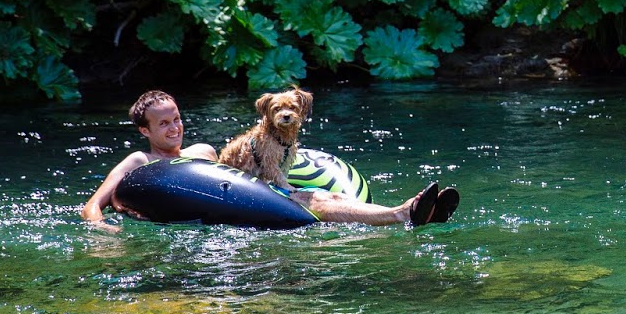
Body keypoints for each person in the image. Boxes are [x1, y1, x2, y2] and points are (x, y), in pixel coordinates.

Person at [81, 90, 445, 227]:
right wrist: (101, 230)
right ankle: (402, 214)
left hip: (246, 209)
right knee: (318, 201)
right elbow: (92, 205)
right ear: (145, 130)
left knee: (325, 198)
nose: (174, 128)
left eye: (176, 118)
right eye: (163, 123)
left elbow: (239, 185)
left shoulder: (202, 153)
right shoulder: (137, 160)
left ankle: (405, 212)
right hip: (205, 220)